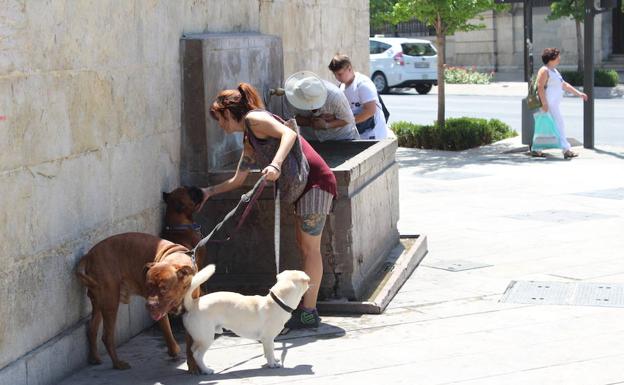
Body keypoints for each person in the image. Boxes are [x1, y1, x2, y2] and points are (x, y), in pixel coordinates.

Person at [199, 82, 337, 329]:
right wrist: (208, 192)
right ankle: (306, 308)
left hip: (316, 183)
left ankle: (309, 312)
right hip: (303, 187)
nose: (220, 125)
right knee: (304, 247)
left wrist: (275, 164)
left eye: (219, 119)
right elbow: (238, 179)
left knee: (310, 250)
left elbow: (289, 133)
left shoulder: (255, 119)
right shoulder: (249, 136)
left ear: (228, 112)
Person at [534, 47, 588, 159]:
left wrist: (579, 93)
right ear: (551, 58)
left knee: (547, 127)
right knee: (558, 125)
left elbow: (564, 85)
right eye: (557, 56)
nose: (559, 58)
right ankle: (566, 150)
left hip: (553, 104)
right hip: (548, 104)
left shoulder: (554, 71)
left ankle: (537, 149)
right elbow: (540, 87)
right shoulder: (544, 70)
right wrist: (544, 104)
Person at [328, 54, 392, 140]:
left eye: (340, 74)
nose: (337, 77)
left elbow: (370, 111)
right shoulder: (341, 87)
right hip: (357, 134)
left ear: (349, 68)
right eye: (335, 74)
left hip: (373, 135)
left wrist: (344, 123)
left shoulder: (363, 84)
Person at [285, 71, 359, 142]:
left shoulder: (335, 96)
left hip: (342, 138)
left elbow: (348, 119)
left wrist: (327, 125)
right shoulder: (292, 96)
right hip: (311, 140)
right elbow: (289, 120)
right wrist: (310, 122)